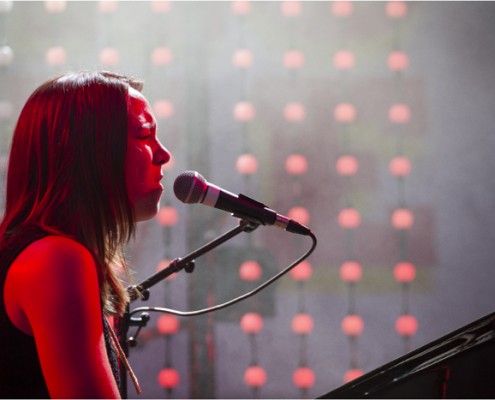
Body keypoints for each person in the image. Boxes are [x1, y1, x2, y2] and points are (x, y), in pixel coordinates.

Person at [0, 71, 171, 398]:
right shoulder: (56, 259)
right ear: (91, 149)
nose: (163, 154)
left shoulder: (44, 252)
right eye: (145, 135)